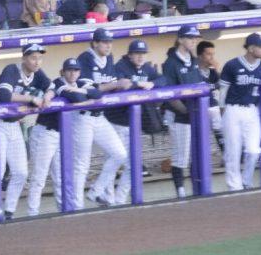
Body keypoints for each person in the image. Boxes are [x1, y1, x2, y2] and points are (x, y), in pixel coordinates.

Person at [25, 58, 96, 217]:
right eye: (69, 70)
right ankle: (32, 213)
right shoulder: (58, 83)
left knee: (61, 176)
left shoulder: (81, 83)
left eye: (76, 70)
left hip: (61, 136)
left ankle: (65, 210)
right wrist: (86, 97)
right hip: (45, 133)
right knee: (39, 177)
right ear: (62, 72)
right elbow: (75, 99)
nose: (73, 73)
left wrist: (85, 93)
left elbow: (98, 93)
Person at [93, 39, 158, 206]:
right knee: (114, 161)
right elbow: (124, 85)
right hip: (115, 121)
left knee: (134, 165)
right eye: (137, 53)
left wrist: (153, 83)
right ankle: (106, 197)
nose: (140, 57)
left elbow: (163, 79)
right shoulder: (121, 66)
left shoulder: (146, 67)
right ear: (130, 55)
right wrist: (140, 84)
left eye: (143, 54)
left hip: (133, 123)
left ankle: (120, 200)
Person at [72, 27, 132, 208]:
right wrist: (114, 84)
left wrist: (119, 84)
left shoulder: (110, 59)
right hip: (82, 117)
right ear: (95, 43)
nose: (108, 45)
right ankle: (76, 206)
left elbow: (111, 83)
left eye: (110, 42)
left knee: (120, 154)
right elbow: (89, 90)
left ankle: (96, 191)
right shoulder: (85, 58)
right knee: (82, 164)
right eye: (104, 42)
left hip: (99, 117)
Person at [0, 43, 53, 220]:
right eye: (33, 57)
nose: (37, 61)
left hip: (13, 125)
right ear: (24, 58)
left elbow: (52, 87)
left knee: (21, 172)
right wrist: (32, 98)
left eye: (39, 57)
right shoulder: (11, 70)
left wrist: (47, 97)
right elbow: (3, 95)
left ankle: (9, 211)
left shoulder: (37, 73)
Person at [217, 33, 261, 191]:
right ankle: (234, 186)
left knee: (254, 150)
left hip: (252, 110)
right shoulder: (232, 65)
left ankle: (246, 181)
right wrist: (223, 112)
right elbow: (223, 91)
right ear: (251, 48)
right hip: (232, 109)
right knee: (233, 151)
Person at [160, 25, 204, 197]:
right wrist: (187, 111)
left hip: (194, 114)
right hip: (179, 116)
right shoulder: (171, 63)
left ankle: (197, 189)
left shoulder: (193, 60)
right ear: (180, 39)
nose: (194, 41)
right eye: (190, 38)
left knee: (196, 154)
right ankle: (180, 191)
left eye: (195, 38)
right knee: (181, 157)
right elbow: (170, 95)